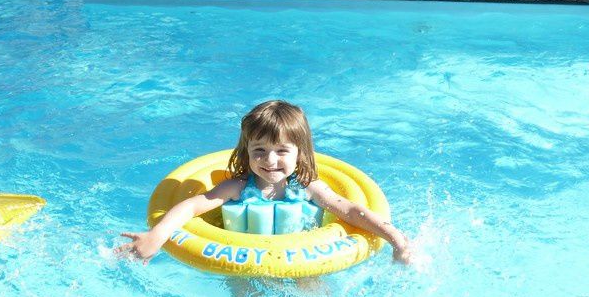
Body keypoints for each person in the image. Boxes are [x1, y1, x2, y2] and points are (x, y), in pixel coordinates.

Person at [117, 100, 411, 264]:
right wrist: (157, 234)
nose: (270, 161)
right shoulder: (238, 187)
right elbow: (192, 207)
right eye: (260, 151)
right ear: (247, 152)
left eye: (282, 151)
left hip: (304, 263)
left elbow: (349, 210)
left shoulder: (308, 186)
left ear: (300, 153)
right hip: (241, 261)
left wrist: (397, 241)